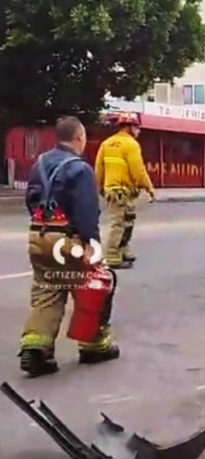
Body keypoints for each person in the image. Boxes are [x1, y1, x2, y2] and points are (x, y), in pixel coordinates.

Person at [20, 116, 121, 376]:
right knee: (95, 287)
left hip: (40, 236)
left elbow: (31, 201)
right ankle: (94, 346)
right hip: (70, 239)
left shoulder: (39, 164)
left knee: (46, 290)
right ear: (79, 137)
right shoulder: (80, 168)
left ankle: (35, 349)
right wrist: (92, 246)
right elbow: (87, 212)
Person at [95, 112, 155, 269]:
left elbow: (98, 169)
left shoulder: (106, 144)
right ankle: (113, 257)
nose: (139, 131)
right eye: (137, 127)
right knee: (119, 225)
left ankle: (123, 251)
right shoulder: (131, 145)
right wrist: (149, 188)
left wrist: (100, 188)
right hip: (122, 191)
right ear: (129, 128)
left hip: (112, 190)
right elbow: (138, 170)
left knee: (127, 222)